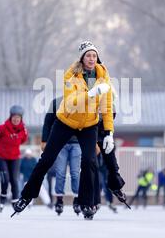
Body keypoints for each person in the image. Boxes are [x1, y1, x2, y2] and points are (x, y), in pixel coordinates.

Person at [13, 41, 115, 220]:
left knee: (90, 162)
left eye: (94, 55)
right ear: (82, 58)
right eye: (88, 55)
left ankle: (86, 203)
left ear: (97, 58)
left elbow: (106, 107)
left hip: (89, 124)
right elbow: (69, 102)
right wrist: (91, 93)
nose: (91, 58)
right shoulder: (71, 75)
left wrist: (109, 133)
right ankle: (26, 196)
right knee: (47, 159)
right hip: (66, 121)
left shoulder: (103, 76)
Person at [41, 97, 81, 216]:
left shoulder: (81, 101)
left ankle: (77, 199)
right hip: (60, 143)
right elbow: (47, 122)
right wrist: (44, 140)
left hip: (76, 143)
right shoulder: (56, 102)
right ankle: (59, 200)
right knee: (60, 173)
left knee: (75, 173)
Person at [0, 105, 28, 212]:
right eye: (14, 117)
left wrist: (13, 146)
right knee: (5, 178)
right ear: (11, 117)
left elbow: (23, 140)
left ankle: (15, 201)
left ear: (21, 119)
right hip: (1, 157)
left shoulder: (23, 130)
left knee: (14, 180)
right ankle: (3, 197)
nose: (16, 120)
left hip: (14, 157)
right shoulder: (2, 128)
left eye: (18, 118)